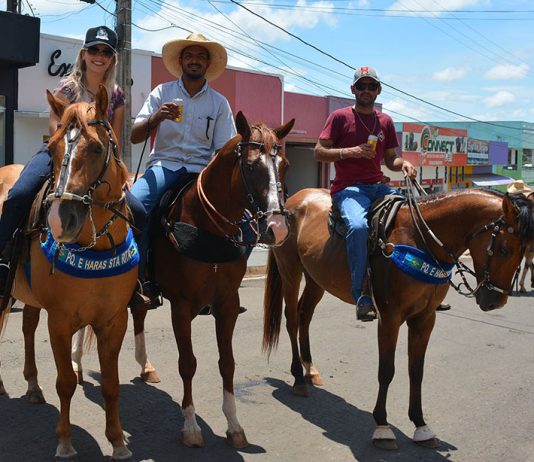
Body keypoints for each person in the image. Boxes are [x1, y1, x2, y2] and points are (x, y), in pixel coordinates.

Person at [0, 26, 147, 304]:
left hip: (97, 160)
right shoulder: (68, 87)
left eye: (106, 52)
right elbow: (55, 127)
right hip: (60, 153)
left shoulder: (116, 95)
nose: (99, 56)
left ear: (112, 59)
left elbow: (114, 139)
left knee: (139, 212)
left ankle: (139, 279)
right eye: (94, 50)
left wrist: (120, 174)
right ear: (84, 54)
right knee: (19, 195)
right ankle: (3, 262)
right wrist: (69, 155)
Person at [130, 33, 237, 305]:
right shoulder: (162, 93)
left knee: (244, 220)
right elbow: (134, 136)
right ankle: (139, 279)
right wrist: (156, 118)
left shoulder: (219, 103)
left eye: (200, 56)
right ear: (181, 61)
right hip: (164, 165)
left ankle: (226, 286)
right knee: (134, 207)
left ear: (207, 64)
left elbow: (224, 150)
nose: (194, 60)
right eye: (189, 55)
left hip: (201, 171)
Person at [314, 66, 417, 322]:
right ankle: (360, 294)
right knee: (358, 227)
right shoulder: (339, 117)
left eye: (372, 86)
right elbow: (319, 151)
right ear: (353, 89)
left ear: (378, 90)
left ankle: (419, 283)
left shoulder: (385, 121)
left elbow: (391, 159)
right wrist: (350, 152)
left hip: (378, 186)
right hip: (348, 188)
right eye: (362, 86)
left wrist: (403, 164)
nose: (367, 90)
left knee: (413, 218)